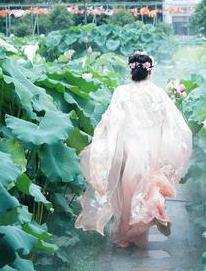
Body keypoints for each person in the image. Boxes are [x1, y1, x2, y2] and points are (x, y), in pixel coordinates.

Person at [75, 51, 193, 248]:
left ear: (130, 71)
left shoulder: (121, 92)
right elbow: (174, 124)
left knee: (127, 194)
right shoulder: (158, 93)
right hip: (151, 148)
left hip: (128, 148)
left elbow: (110, 122)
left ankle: (127, 234)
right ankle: (152, 213)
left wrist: (103, 146)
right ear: (150, 72)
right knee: (146, 187)